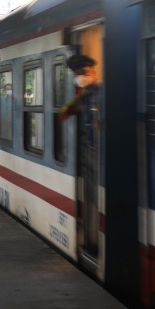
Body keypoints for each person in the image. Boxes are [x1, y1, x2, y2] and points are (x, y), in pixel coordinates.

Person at [58, 54, 101, 255]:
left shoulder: (102, 94)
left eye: (84, 73)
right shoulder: (83, 97)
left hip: (99, 154)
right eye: (78, 74)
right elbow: (63, 115)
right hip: (87, 152)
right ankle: (90, 240)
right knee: (90, 198)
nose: (81, 77)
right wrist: (75, 99)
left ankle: (94, 241)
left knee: (97, 198)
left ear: (93, 72)